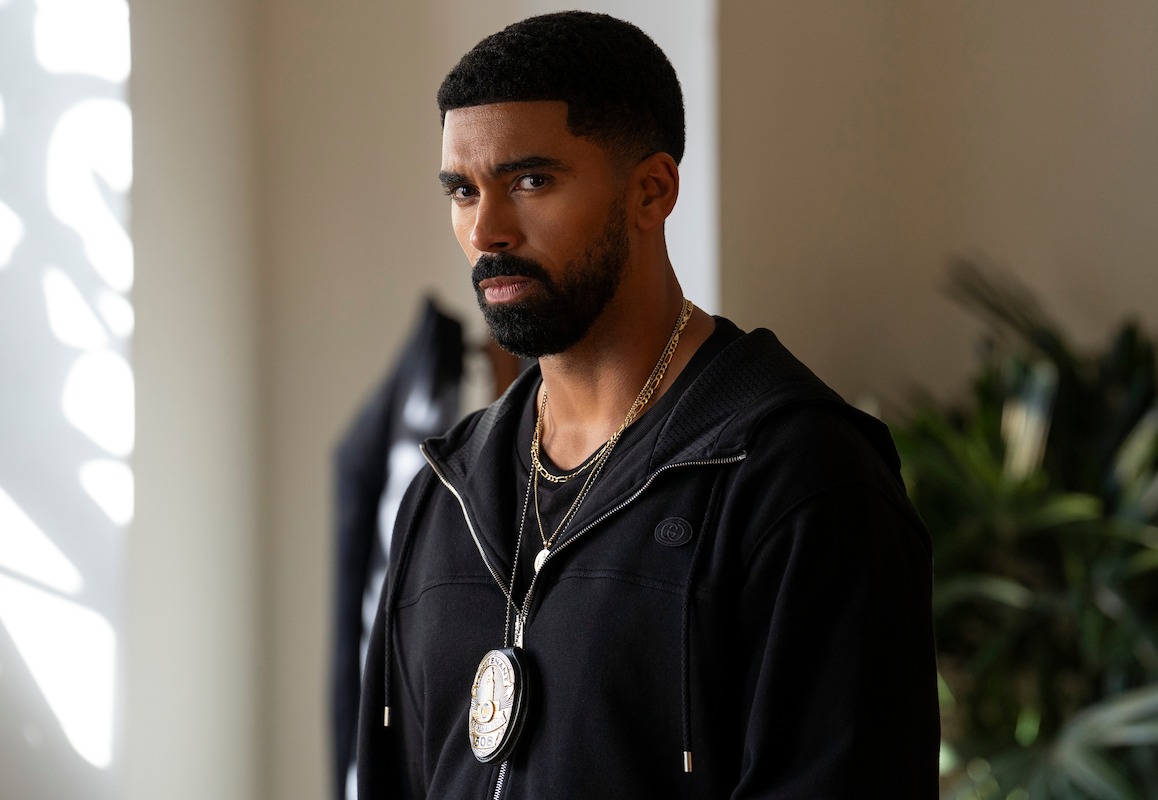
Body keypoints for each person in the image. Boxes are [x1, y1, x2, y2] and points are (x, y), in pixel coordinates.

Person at [357, 11, 939, 799]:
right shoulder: (446, 493)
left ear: (652, 189)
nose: (486, 230)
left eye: (531, 181)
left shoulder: (799, 481)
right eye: (464, 190)